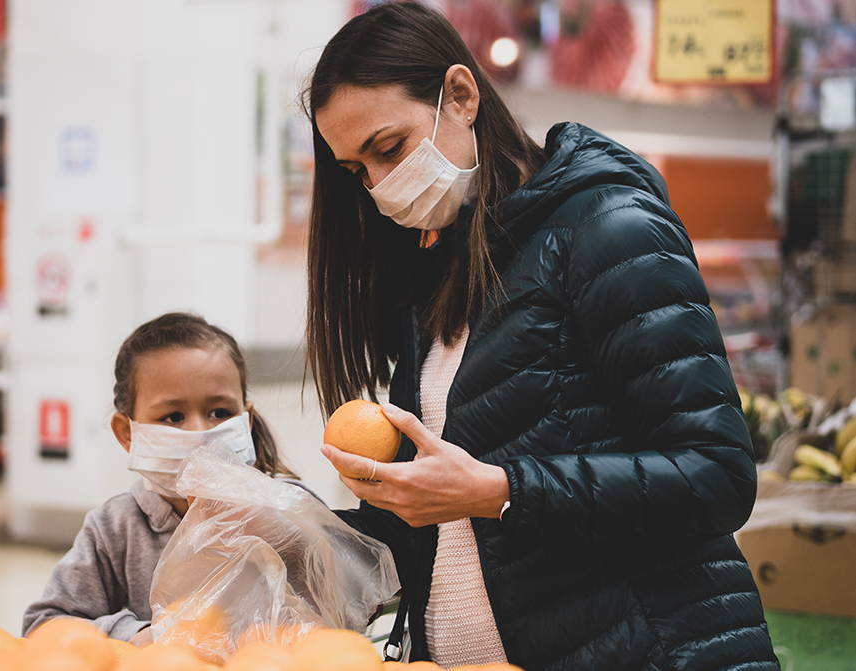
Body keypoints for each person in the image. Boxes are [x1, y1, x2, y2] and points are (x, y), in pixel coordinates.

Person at [307, 4, 779, 671]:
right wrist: (290, 529)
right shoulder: (437, 277)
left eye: (388, 148)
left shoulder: (608, 228)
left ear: (461, 97)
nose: (380, 186)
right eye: (358, 170)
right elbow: (441, 518)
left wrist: (502, 491)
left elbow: (717, 476)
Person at [22, 312, 297, 642]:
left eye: (219, 413)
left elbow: (348, 596)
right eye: (173, 416)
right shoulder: (114, 529)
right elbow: (44, 625)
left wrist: (278, 527)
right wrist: (135, 636)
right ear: (127, 433)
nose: (200, 432)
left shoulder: (287, 509)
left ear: (246, 420)